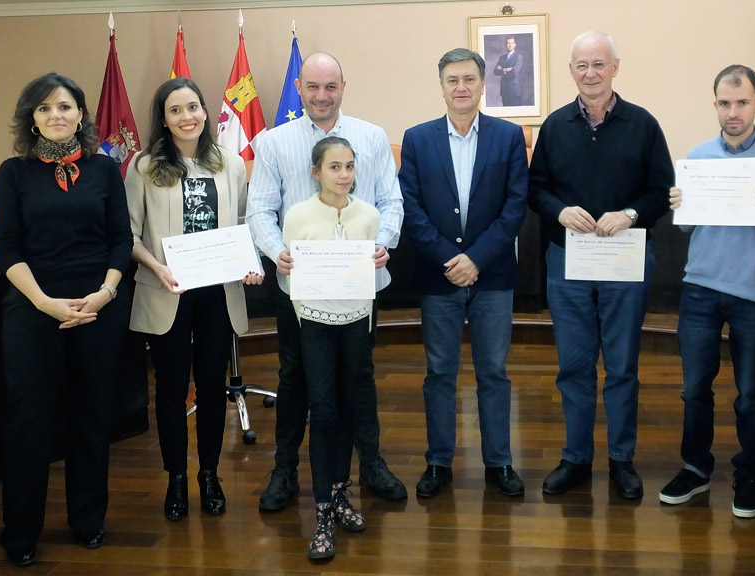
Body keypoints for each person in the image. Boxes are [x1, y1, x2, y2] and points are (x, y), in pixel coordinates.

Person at [246, 52, 406, 507]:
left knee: (360, 376)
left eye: (330, 87)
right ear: (299, 88)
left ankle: (371, 463)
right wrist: (277, 252)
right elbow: (259, 209)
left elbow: (391, 201)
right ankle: (285, 470)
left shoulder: (371, 138)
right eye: (313, 87)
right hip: (298, 287)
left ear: (343, 86)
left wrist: (385, 243)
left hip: (360, 284)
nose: (321, 96)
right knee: (295, 377)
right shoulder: (273, 142)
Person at [0, 72, 132, 567]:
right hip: (33, 308)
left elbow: (120, 237)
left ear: (81, 115)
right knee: (29, 422)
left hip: (99, 306)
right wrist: (46, 302)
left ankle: (88, 520)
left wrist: (105, 293)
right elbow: (5, 246)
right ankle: (21, 532)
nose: (57, 116)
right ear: (31, 118)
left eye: (66, 107)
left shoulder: (104, 170)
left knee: (92, 417)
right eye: (45, 108)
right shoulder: (13, 173)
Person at [657, 65, 755, 518]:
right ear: (716, 105)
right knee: (693, 390)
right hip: (701, 287)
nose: (733, 112)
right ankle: (695, 468)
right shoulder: (699, 156)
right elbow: (687, 224)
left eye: (742, 102)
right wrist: (679, 207)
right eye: (725, 103)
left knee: (752, 395)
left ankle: (748, 476)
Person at [528, 31, 673, 499]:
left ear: (615, 67)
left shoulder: (643, 124)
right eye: (581, 65)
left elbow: (660, 194)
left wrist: (630, 214)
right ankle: (576, 457)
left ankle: (621, 460)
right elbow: (536, 189)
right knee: (573, 365)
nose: (590, 73)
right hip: (567, 259)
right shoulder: (554, 127)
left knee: (623, 366)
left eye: (598, 64)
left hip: (625, 259)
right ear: (571, 71)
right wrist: (558, 211)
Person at [125, 77, 264, 522]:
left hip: (217, 294)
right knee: (169, 390)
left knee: (210, 386)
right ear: (163, 120)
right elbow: (128, 234)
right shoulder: (144, 167)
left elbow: (243, 223)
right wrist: (157, 266)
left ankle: (208, 474)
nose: (187, 117)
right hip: (168, 291)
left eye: (194, 107)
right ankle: (176, 479)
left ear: (206, 112)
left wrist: (249, 261)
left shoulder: (230, 163)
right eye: (175, 110)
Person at [399, 48, 529, 498]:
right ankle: (438, 462)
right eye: (452, 79)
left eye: (470, 79)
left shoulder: (509, 137)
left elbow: (515, 209)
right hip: (439, 276)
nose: (461, 87)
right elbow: (411, 210)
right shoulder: (417, 139)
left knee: (493, 371)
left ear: (482, 84)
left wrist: (476, 259)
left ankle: (499, 462)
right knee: (440, 372)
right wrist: (450, 260)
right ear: (441, 85)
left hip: (492, 276)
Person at [282, 137, 374, 560]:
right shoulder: (299, 215)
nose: (344, 175)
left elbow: (369, 281)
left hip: (357, 322)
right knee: (323, 410)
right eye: (335, 167)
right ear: (316, 171)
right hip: (315, 324)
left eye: (350, 166)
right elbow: (293, 281)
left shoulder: (368, 215)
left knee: (350, 406)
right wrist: (307, 319)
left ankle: (341, 491)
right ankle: (321, 509)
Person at [493, 36, 524, 106]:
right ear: (505, 45)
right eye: (508, 43)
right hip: (505, 90)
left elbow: (513, 73)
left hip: (514, 90)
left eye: (512, 43)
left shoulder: (519, 56)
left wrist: (502, 69)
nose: (510, 45)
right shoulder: (502, 58)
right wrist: (506, 69)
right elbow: (495, 71)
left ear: (515, 44)